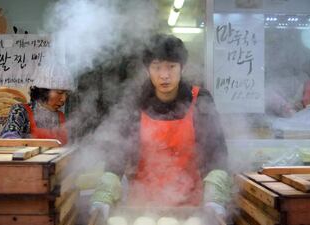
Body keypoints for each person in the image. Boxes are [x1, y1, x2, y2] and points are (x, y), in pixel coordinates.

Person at [89, 34, 231, 221]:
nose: (164, 75)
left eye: (171, 67)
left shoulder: (200, 100)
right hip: (141, 207)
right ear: (148, 70)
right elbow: (118, 154)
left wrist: (215, 199)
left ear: (182, 68)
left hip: (191, 208)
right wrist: (104, 195)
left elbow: (216, 153)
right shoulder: (136, 102)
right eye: (157, 67)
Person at [1, 65, 72, 145]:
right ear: (43, 91)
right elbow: (8, 138)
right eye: (59, 92)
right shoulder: (21, 111)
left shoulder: (62, 117)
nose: (63, 99)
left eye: (66, 94)